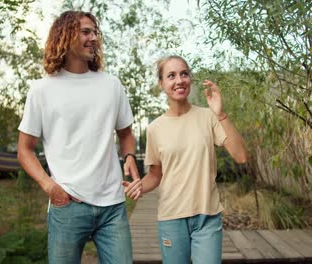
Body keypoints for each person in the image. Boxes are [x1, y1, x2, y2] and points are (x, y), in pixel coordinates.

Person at [17, 10, 140, 264]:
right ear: (65, 35)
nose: (93, 38)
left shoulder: (111, 85)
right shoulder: (42, 90)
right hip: (67, 205)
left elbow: (126, 133)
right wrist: (49, 186)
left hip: (112, 207)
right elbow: (24, 150)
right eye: (86, 31)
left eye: (95, 32)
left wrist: (128, 155)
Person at [124, 55, 248, 263]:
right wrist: (140, 187)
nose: (179, 80)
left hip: (207, 216)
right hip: (171, 218)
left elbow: (241, 156)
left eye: (184, 74)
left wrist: (220, 114)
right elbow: (156, 174)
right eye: (171, 76)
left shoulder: (208, 117)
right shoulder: (155, 129)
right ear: (161, 84)